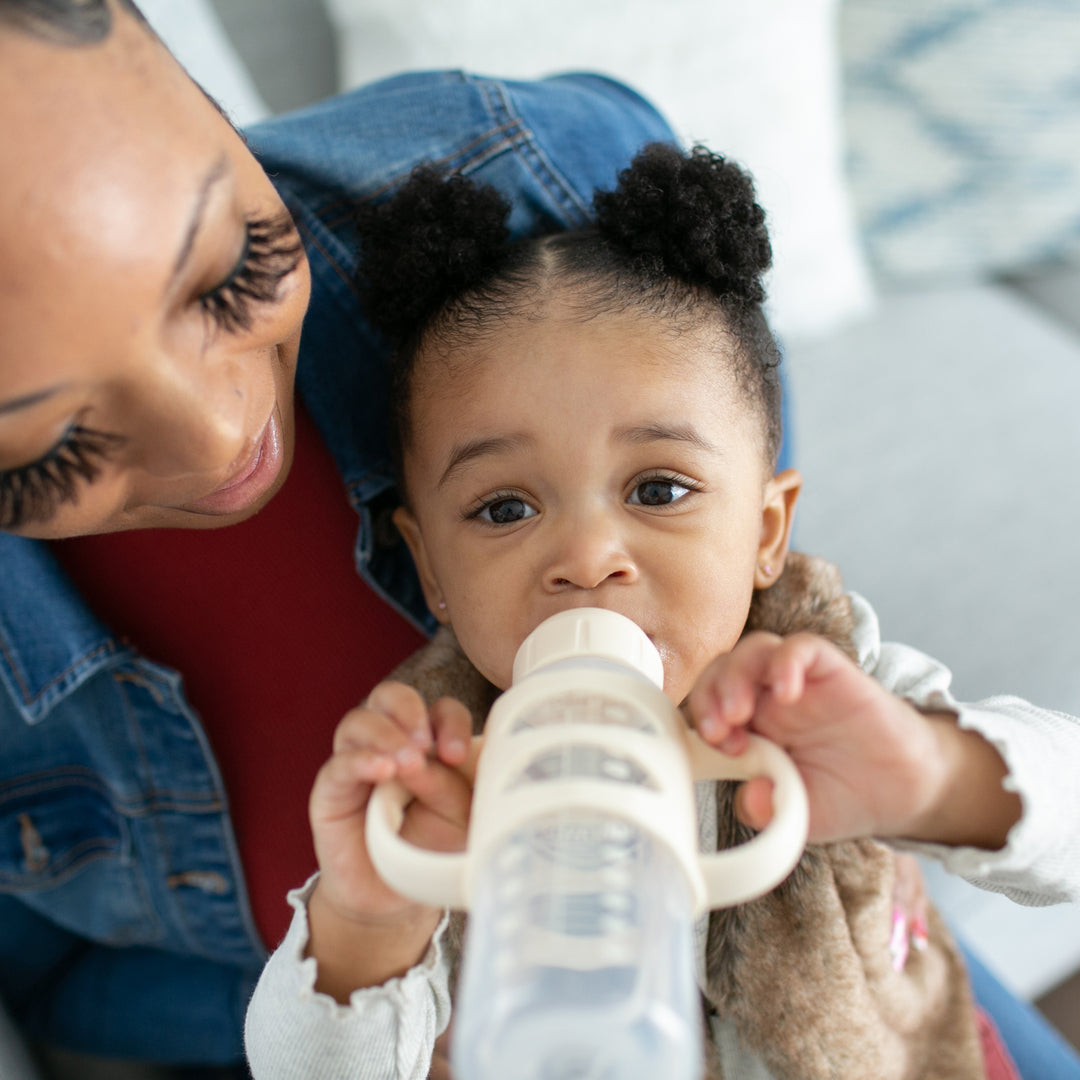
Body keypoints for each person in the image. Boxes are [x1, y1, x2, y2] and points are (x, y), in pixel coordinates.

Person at [242, 147, 1080, 1079]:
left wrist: (935, 775)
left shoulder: (827, 678)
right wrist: (368, 922)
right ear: (432, 569)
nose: (587, 558)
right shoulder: (437, 770)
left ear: (766, 530)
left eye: (658, 487)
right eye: (505, 508)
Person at [0, 0, 678, 1072]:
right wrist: (367, 1015)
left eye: (227, 276)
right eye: (54, 444)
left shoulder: (533, 190)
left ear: (207, 100)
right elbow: (51, 981)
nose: (226, 436)